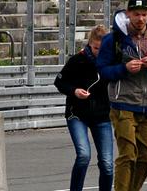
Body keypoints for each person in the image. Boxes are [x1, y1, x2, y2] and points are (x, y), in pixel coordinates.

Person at [97, 0, 147, 191]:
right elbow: (102, 69)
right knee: (128, 154)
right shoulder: (114, 39)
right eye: (135, 14)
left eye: (144, 14)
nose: (140, 18)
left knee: (146, 157)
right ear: (128, 14)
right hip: (123, 102)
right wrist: (124, 68)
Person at [55, 25, 114, 191]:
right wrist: (74, 91)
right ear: (90, 44)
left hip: (102, 116)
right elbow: (59, 82)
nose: (98, 52)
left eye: (102, 49)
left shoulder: (110, 61)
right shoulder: (77, 60)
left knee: (107, 163)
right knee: (83, 155)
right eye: (96, 48)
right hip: (77, 114)